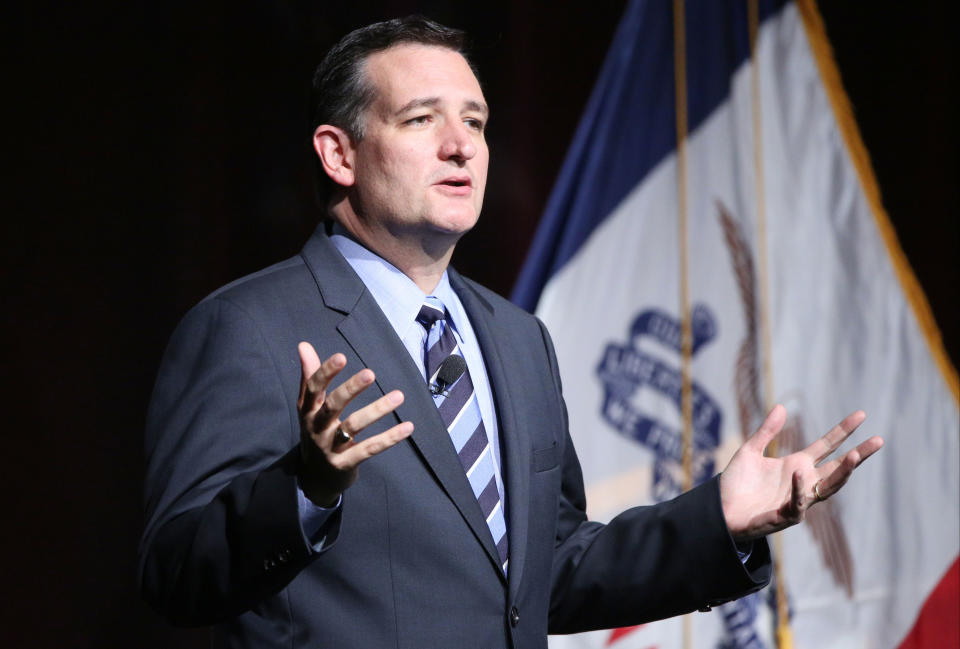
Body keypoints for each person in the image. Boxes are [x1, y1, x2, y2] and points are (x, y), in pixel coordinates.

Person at [138, 16, 883, 649]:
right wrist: (307, 488)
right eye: (422, 119)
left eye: (475, 122)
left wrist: (718, 519)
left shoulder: (518, 338)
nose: (460, 145)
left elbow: (547, 570)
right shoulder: (248, 327)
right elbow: (175, 573)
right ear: (339, 153)